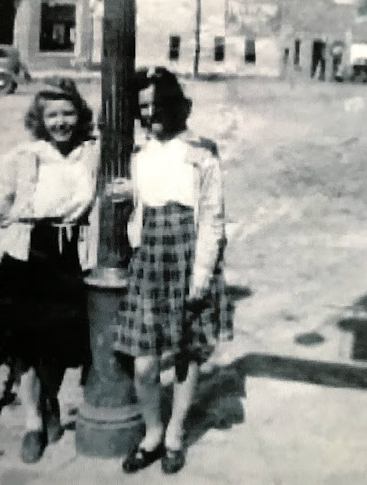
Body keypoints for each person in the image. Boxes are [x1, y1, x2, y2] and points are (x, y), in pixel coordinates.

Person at [113, 67, 233, 475]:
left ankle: (175, 434)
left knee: (186, 352)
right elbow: (145, 195)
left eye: (158, 104)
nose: (151, 113)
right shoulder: (139, 152)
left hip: (188, 258)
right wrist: (129, 194)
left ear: (177, 104)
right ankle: (152, 432)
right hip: (149, 259)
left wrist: (201, 276)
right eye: (143, 107)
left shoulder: (202, 152)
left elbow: (213, 218)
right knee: (145, 364)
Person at [0, 77, 99, 464]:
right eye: (52, 115)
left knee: (60, 341)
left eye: (68, 113)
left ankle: (49, 399)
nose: (61, 122)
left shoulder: (91, 153)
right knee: (25, 345)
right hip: (28, 254)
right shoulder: (24, 155)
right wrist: (22, 218)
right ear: (40, 119)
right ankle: (34, 422)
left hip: (71, 255)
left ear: (80, 116)